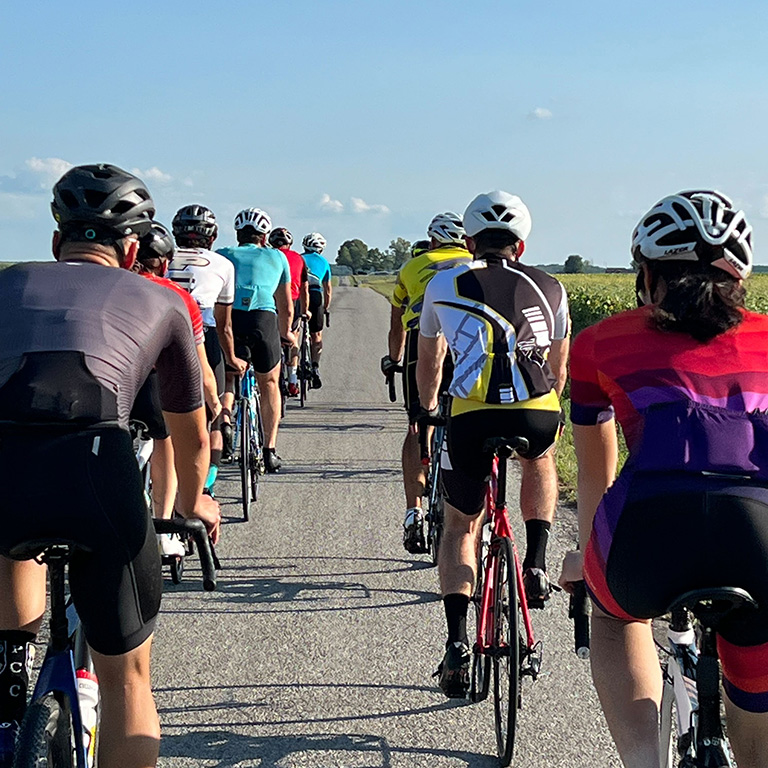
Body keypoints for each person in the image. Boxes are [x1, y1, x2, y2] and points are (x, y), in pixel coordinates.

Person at [0, 164, 219, 768]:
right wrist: (189, 503)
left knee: (10, 537)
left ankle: (10, 678)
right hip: (98, 473)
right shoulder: (163, 299)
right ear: (130, 249)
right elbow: (192, 440)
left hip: (6, 469)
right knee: (127, 677)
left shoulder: (7, 282)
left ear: (54, 242)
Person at [560, 190, 768, 768]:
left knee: (614, 614)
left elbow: (597, 474)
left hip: (646, 532)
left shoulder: (600, 342)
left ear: (648, 273)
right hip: (759, 531)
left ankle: (643, 761)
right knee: (757, 664)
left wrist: (584, 555)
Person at [417, 190, 570, 698]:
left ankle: (457, 645)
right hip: (538, 409)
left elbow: (429, 363)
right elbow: (558, 367)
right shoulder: (551, 285)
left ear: (468, 241)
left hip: (472, 416)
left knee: (461, 523)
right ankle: (537, 561)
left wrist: (427, 408)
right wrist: (546, 410)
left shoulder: (443, 283)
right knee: (540, 458)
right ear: (521, 246)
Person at [380, 213, 471, 553]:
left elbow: (396, 323)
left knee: (418, 425)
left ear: (432, 241)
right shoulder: (474, 264)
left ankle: (413, 512)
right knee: (467, 420)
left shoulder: (411, 267)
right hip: (466, 342)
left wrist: (393, 359)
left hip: (423, 342)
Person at [168, 205, 247, 483]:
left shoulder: (162, 259)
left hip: (161, 331)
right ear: (212, 237)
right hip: (205, 333)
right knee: (212, 408)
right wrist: (232, 357)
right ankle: (209, 481)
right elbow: (224, 324)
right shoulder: (223, 265)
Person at [218, 208, 294, 472]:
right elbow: (286, 305)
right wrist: (286, 334)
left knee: (229, 376)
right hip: (262, 319)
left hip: (230, 319)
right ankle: (269, 451)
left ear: (238, 234)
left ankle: (225, 422)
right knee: (270, 383)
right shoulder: (278, 257)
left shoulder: (223, 255)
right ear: (264, 236)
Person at [269, 227, 309, 397]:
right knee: (293, 339)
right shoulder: (299, 259)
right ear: (289, 243)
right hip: (293, 301)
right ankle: (293, 381)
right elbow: (305, 289)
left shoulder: (267, 256)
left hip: (270, 300)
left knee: (272, 338)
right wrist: (306, 310)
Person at [300, 232, 332, 388]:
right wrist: (325, 308)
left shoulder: (299, 259)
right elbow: (327, 290)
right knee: (316, 335)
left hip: (299, 294)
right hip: (315, 294)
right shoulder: (324, 262)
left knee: (293, 332)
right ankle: (315, 366)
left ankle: (293, 366)